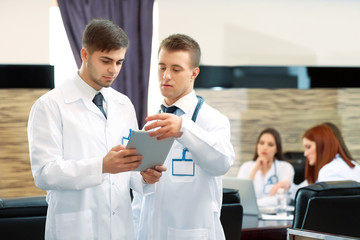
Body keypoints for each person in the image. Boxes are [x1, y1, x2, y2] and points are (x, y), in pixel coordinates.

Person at [28, 18, 165, 240]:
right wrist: (101, 166)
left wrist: (145, 178)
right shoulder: (50, 105)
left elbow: (127, 171)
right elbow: (45, 174)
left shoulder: (124, 105)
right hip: (75, 229)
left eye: (119, 62)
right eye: (106, 61)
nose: (113, 70)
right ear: (84, 54)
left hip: (120, 228)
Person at [132, 34, 235, 240]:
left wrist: (183, 130)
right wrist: (143, 178)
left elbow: (222, 162)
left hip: (192, 232)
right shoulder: (151, 123)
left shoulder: (212, 119)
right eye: (162, 67)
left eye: (176, 69)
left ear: (193, 73)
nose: (166, 75)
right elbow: (138, 194)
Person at [237, 128, 295, 207]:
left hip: (276, 216)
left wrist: (253, 204)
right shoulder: (246, 167)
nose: (265, 147)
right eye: (261, 143)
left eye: (270, 145)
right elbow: (242, 196)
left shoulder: (286, 167)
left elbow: (282, 199)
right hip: (250, 214)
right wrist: (255, 169)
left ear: (277, 149)